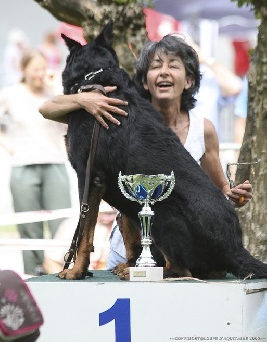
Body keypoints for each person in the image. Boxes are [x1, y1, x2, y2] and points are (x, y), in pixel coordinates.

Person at [38, 35, 253, 264]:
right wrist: (83, 100)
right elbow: (46, 108)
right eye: (156, 66)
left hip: (179, 253)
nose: (164, 72)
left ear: (189, 80)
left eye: (173, 66)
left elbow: (218, 187)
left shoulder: (203, 129)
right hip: (127, 253)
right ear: (143, 82)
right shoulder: (116, 113)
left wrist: (233, 196)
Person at [0, 49, 71, 276]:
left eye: (43, 68)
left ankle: (63, 273)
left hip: (54, 164)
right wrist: (8, 146)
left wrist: (53, 87)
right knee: (29, 229)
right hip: (23, 167)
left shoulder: (55, 93)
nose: (40, 73)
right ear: (24, 70)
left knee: (62, 226)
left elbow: (73, 116)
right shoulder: (10, 94)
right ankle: (33, 277)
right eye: (35, 69)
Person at [43, 200, 117, 274]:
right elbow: (51, 262)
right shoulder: (73, 225)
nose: (108, 207)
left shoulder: (124, 227)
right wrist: (69, 284)